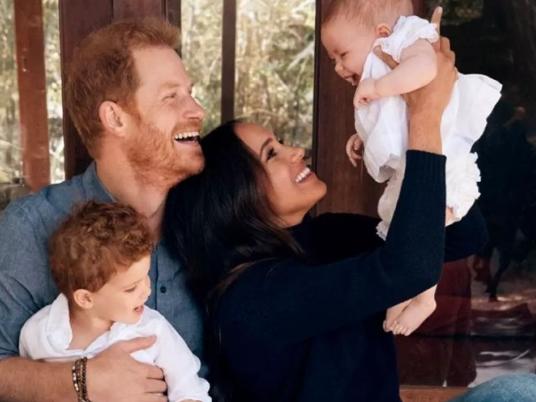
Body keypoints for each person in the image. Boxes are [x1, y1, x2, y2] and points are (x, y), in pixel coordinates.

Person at [164, 28, 479, 400]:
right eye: (272, 154)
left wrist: (400, 134)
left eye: (280, 142)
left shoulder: (326, 236)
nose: (295, 151)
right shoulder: (252, 299)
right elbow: (409, 269)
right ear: (235, 199)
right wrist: (424, 116)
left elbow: (463, 235)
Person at [0, 18, 205, 402]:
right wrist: (81, 382)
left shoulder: (207, 217)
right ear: (115, 118)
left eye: (190, 93)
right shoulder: (30, 227)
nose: (196, 109)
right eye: (171, 96)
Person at [320, 1, 501, 336]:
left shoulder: (408, 41)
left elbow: (425, 71)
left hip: (443, 163)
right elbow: (393, 121)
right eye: (333, 59)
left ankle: (424, 296)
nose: (337, 68)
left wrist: (377, 87)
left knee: (423, 228)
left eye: (342, 54)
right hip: (415, 164)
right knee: (399, 223)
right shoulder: (385, 68)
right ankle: (406, 290)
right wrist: (362, 138)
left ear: (382, 34)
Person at [19, 201, 211, 402]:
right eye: (131, 288)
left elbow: (189, 387)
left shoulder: (152, 329)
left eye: (146, 277)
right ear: (85, 298)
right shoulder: (38, 334)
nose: (147, 290)